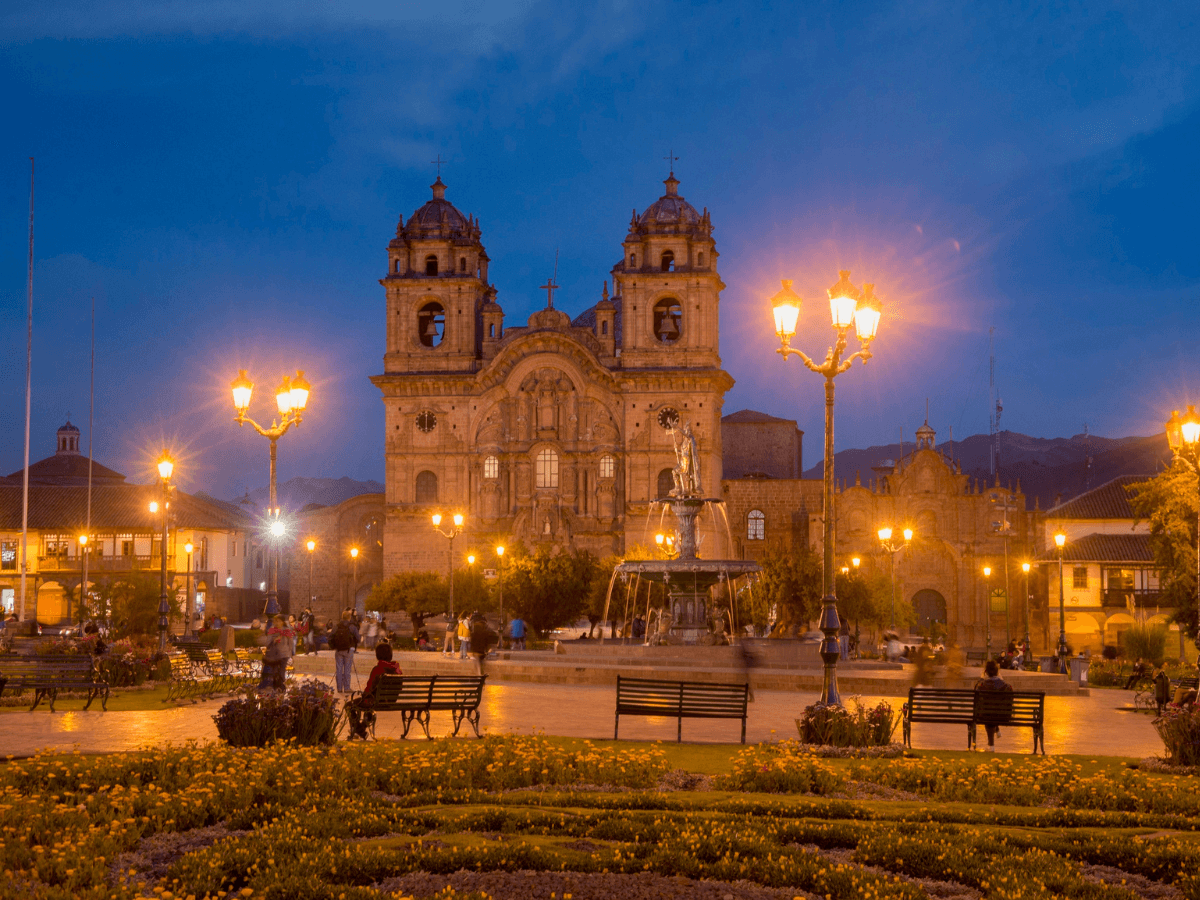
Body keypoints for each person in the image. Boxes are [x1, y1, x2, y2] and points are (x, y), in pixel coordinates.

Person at [346, 642, 402, 740]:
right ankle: (361, 729)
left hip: (376, 701)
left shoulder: (378, 669)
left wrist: (364, 695)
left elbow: (369, 687)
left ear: (377, 656)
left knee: (349, 705)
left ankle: (359, 731)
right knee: (370, 705)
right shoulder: (397, 670)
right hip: (390, 701)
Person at [974, 658, 1014, 751]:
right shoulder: (1006, 686)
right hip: (1004, 716)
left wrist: (981, 678)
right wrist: (1001, 679)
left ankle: (991, 746)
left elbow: (976, 695)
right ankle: (995, 733)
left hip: (986, 716)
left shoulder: (982, 685)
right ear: (997, 672)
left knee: (988, 712)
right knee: (993, 712)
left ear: (986, 672)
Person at [260, 615, 294, 691]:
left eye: (278, 621)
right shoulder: (272, 630)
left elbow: (290, 643)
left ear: (282, 622)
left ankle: (280, 686)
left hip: (284, 654)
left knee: (282, 670)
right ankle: (276, 687)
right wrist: (274, 640)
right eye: (276, 621)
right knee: (275, 671)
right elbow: (267, 643)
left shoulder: (287, 630)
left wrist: (291, 653)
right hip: (274, 655)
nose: (277, 623)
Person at [329, 611, 359, 693]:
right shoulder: (352, 626)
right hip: (349, 650)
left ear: (342, 617)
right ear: (349, 617)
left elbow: (330, 636)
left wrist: (333, 646)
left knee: (339, 669)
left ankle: (339, 688)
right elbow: (358, 638)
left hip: (338, 650)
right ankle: (346, 688)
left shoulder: (337, 626)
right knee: (347, 669)